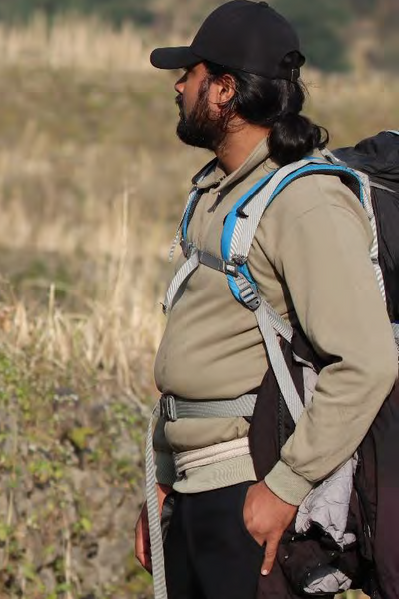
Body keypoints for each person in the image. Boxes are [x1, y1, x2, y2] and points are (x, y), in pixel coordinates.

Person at [134, 2, 398, 598]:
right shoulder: (218, 192)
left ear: (225, 90)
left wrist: (285, 487)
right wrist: (163, 480)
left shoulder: (306, 204)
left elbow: (367, 362)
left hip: (248, 491)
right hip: (193, 489)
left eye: (191, 74)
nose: (178, 87)